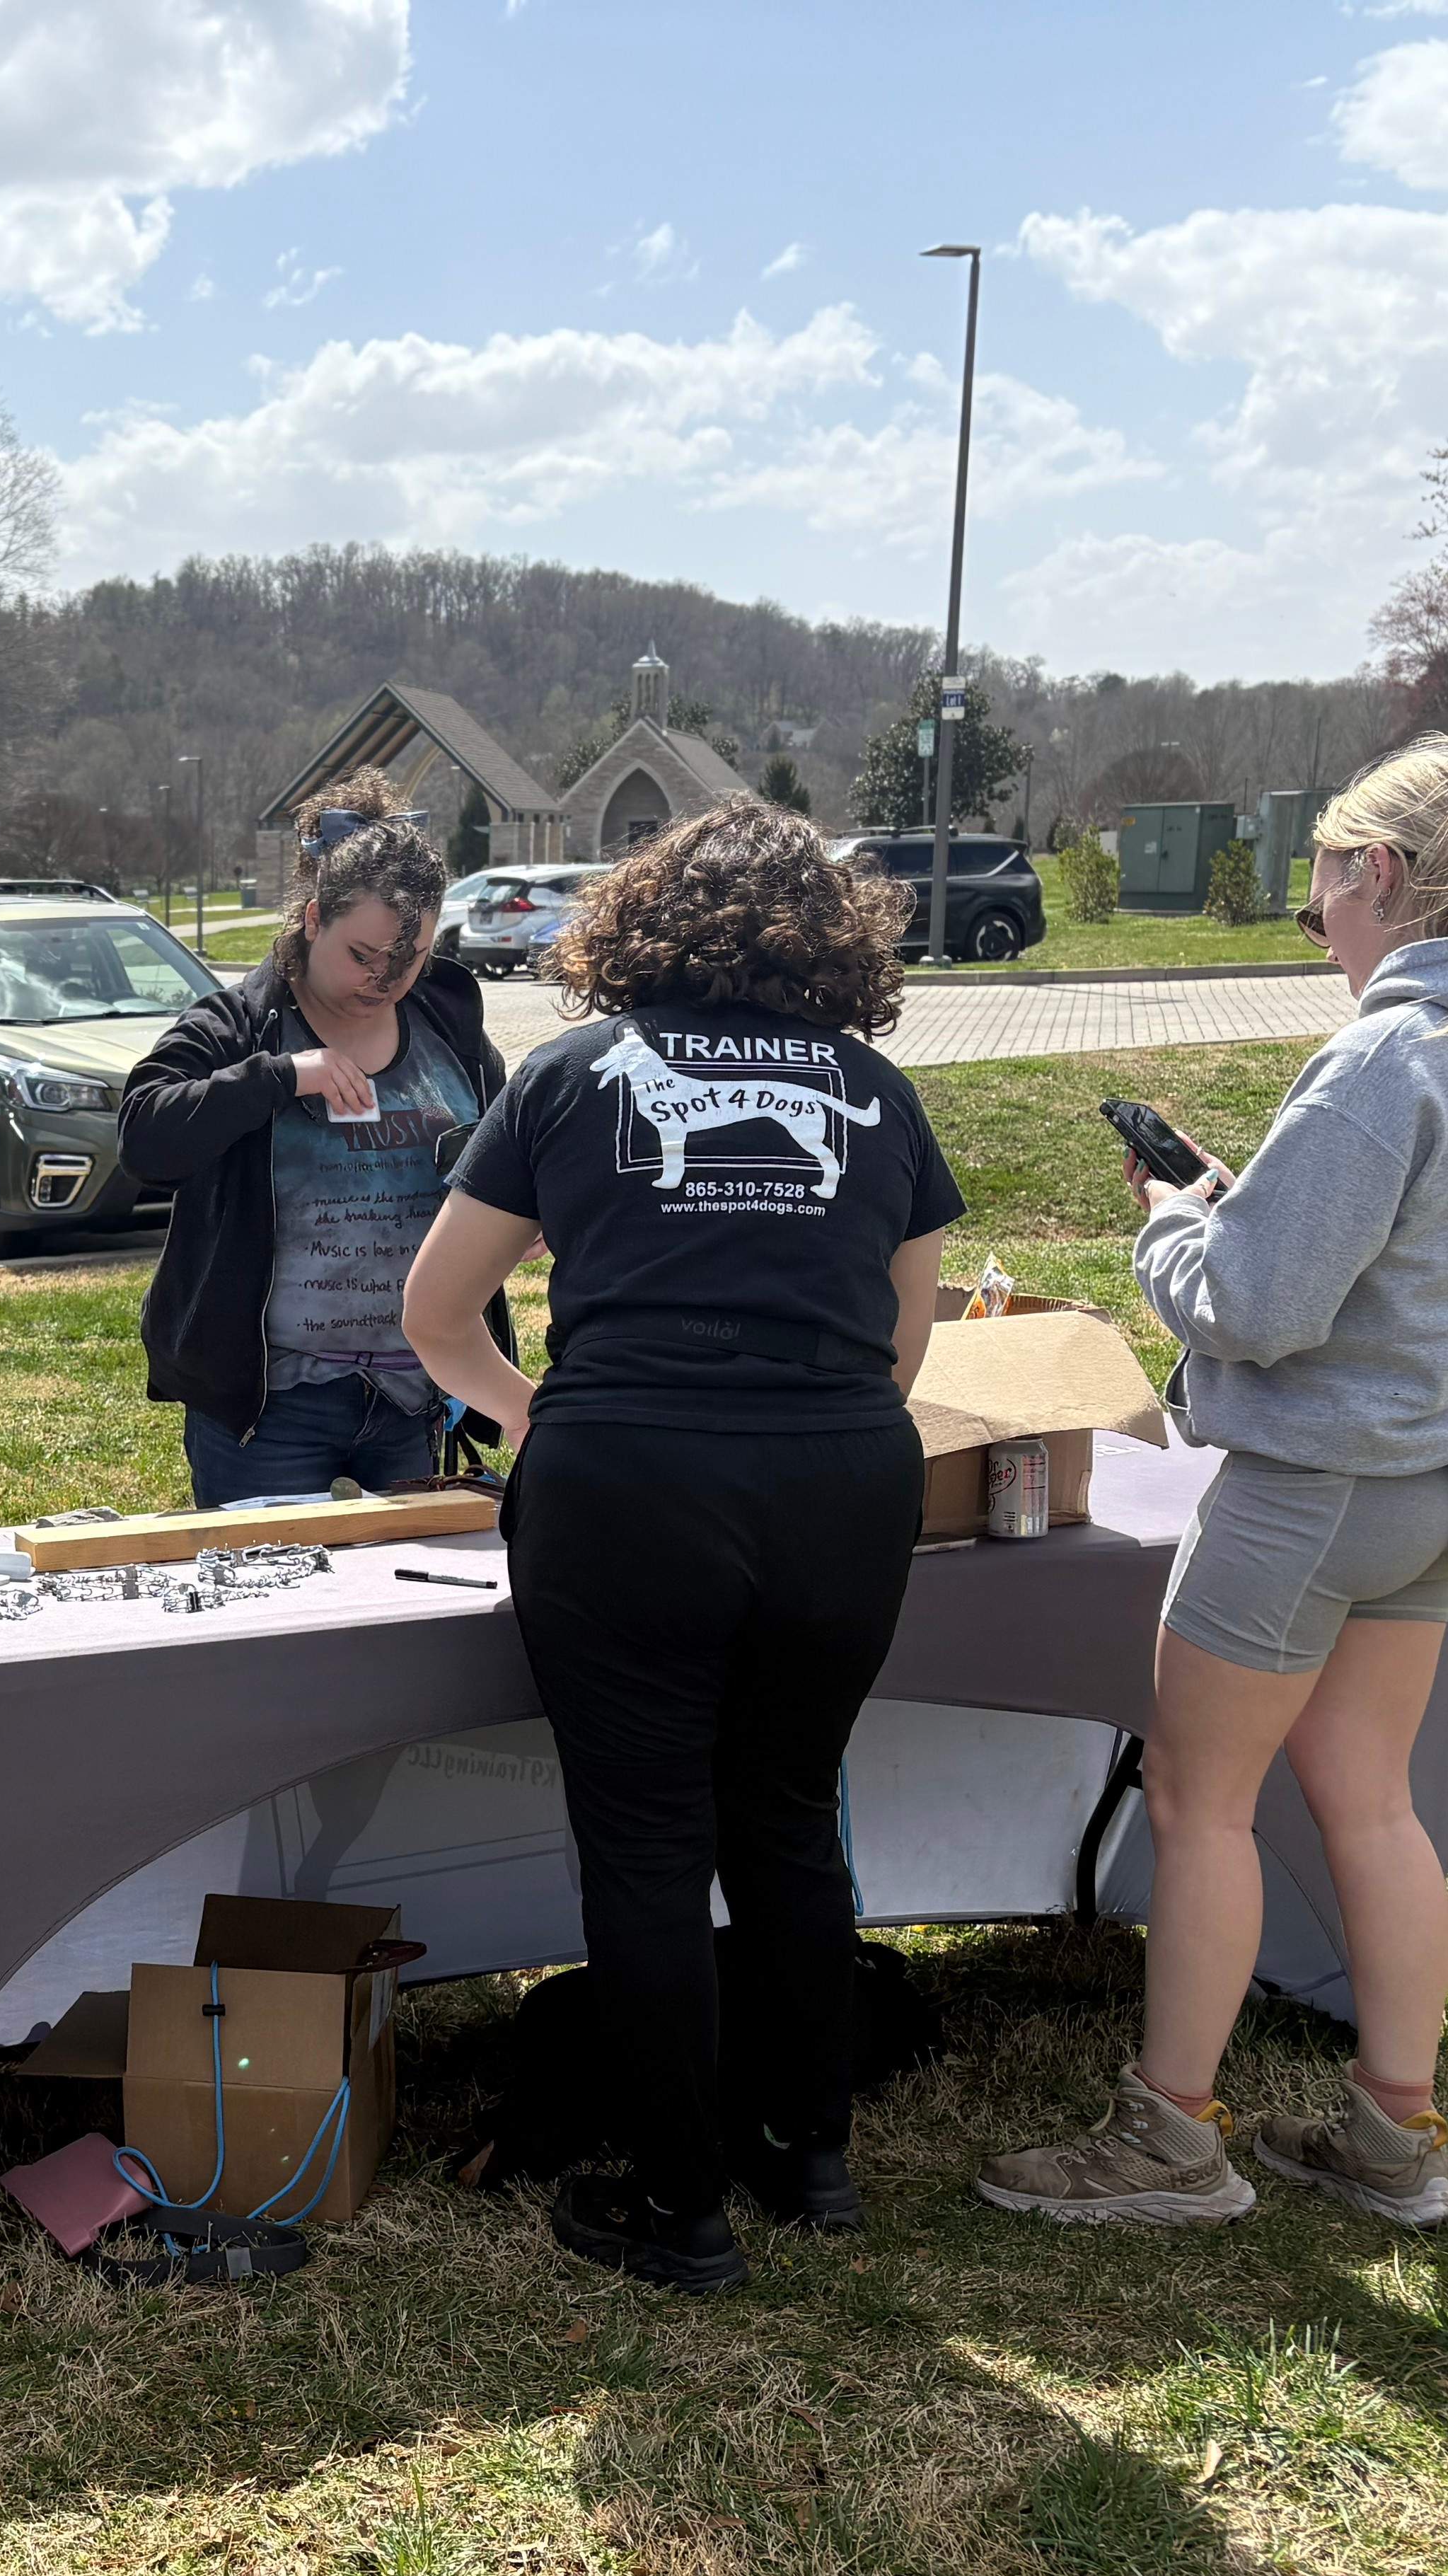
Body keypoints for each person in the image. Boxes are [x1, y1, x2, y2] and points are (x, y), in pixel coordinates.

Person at [978, 740, 1448, 2236]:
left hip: (1308, 1490)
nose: (1314, 922)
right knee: (1372, 1804)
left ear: (1380, 877)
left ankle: (1168, 2140)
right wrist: (1243, 1207)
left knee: (1204, 1806)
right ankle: (1399, 2137)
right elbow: (1443, 1265)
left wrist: (1168, 1232)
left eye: (1319, 888)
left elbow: (1257, 1308)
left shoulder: (1390, 1058)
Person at [400, 800, 964, 2293]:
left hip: (628, 1485)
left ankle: (681, 2210)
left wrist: (544, 1419)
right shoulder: (877, 1092)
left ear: (639, 921)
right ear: (837, 942)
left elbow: (434, 1316)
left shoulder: (576, 1076)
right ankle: (813, 2156)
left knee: (647, 1851)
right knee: (786, 1819)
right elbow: (907, 1343)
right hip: (840, 1481)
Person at [120, 772, 514, 1504]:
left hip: (412, 1396)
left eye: (413, 956)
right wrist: (278, 1078)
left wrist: (519, 1217)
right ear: (311, 919)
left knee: (405, 1609)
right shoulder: (240, 1026)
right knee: (272, 1603)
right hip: (268, 1411)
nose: (387, 980)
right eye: (363, 955)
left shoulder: (449, 1029)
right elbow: (144, 1138)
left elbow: (507, 1152)